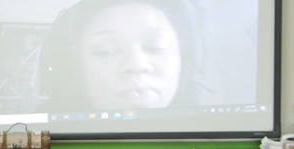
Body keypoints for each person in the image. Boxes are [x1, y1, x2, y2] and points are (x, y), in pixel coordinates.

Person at [39, 0, 207, 112]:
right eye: (107, 50)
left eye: (156, 46)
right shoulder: (32, 139)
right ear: (74, 66)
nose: (136, 64)